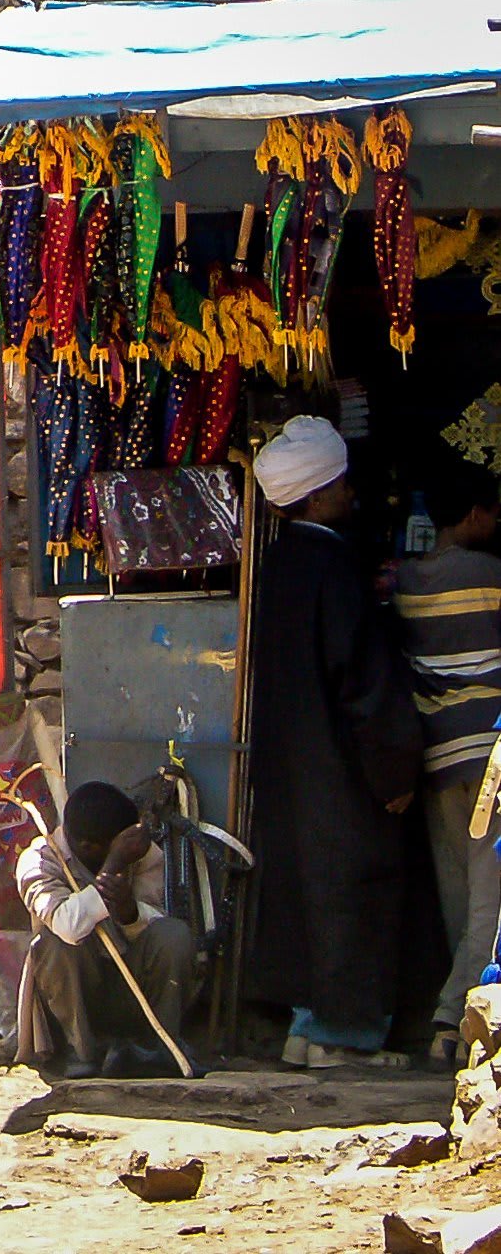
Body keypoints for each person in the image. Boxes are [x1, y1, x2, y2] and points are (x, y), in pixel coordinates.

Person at [246, 414, 423, 1069]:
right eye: (342, 484)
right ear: (317, 496)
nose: (351, 493)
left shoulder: (281, 566)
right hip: (343, 775)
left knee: (303, 896)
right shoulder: (333, 568)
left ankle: (304, 1028)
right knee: (352, 894)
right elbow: (365, 684)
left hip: (293, 774)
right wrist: (395, 771)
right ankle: (341, 1039)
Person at [391, 454, 501, 1065]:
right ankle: (454, 1017)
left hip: (438, 758)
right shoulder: (491, 574)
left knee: (459, 894)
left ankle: (455, 1025)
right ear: (477, 514)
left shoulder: (407, 582)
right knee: (491, 896)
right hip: (491, 753)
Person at [17, 781, 198, 1077]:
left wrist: (129, 912)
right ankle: (81, 1053)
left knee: (174, 935)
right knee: (54, 943)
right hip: (77, 997)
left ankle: (160, 1048)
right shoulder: (39, 862)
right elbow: (68, 926)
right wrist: (112, 866)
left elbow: (158, 921)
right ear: (89, 847)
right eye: (119, 846)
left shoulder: (141, 855)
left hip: (132, 989)